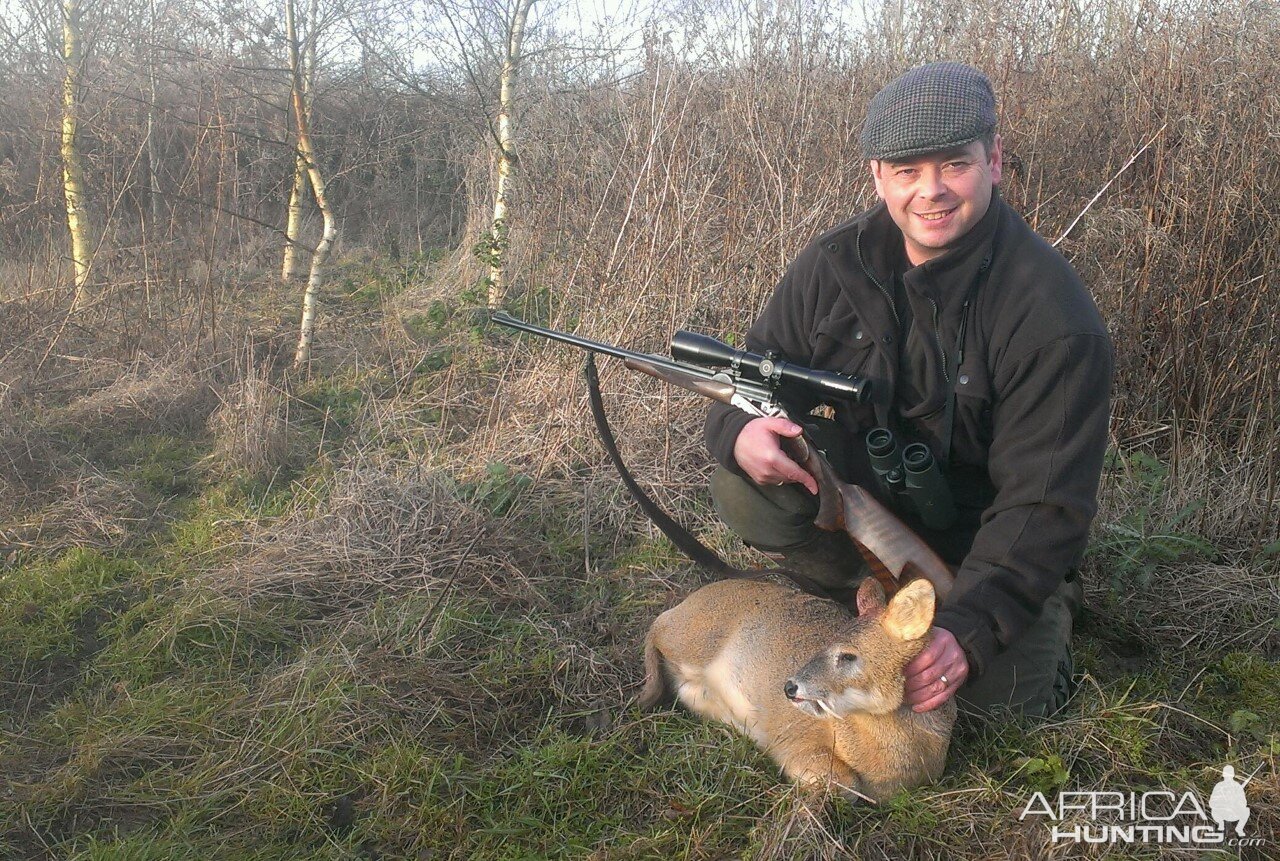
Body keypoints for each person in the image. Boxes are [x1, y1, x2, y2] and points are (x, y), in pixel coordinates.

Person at [704, 61, 1113, 719]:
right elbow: (751, 373)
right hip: (861, 525)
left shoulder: (1053, 319)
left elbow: (1044, 505)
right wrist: (741, 430)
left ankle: (1038, 635)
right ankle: (848, 590)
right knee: (742, 484)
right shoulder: (831, 265)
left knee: (991, 712)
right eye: (907, 171)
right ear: (877, 177)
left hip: (984, 555)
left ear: (995, 159)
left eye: (954, 164)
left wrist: (967, 630)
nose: (932, 191)